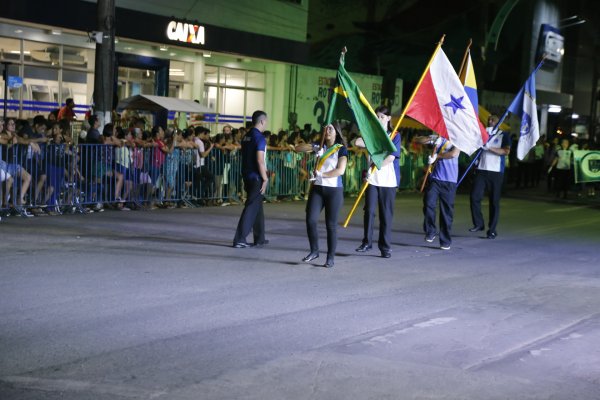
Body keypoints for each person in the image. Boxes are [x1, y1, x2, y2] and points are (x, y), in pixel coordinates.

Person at [296, 123, 348, 268]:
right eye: (325, 128)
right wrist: (314, 147)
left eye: (330, 129)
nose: (327, 131)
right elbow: (297, 148)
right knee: (310, 219)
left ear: (337, 132)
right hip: (318, 189)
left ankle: (330, 257)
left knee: (330, 225)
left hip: (334, 191)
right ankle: (314, 251)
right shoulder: (320, 146)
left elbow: (340, 170)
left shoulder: (341, 149)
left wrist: (322, 174)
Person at [353, 105, 401, 258]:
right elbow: (356, 142)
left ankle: (385, 247)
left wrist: (375, 164)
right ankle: (367, 242)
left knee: (386, 215)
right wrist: (371, 140)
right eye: (377, 116)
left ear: (388, 118)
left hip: (388, 180)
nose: (379, 119)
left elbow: (391, 157)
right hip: (372, 179)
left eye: (382, 117)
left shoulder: (395, 135)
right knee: (369, 211)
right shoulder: (372, 134)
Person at [469, 114, 511, 239]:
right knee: (474, 196)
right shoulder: (484, 134)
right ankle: (478, 223)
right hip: (482, 170)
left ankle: (492, 230)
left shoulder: (504, 135)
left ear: (499, 122)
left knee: (494, 201)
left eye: (493, 119)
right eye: (489, 119)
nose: (490, 121)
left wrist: (489, 148)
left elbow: (506, 151)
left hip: (496, 171)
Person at [232, 110, 269, 248]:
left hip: (247, 174)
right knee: (251, 206)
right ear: (262, 121)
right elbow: (260, 160)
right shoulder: (260, 138)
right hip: (256, 176)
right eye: (266, 121)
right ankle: (240, 238)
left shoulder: (246, 136)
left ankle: (260, 238)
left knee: (257, 205)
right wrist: (265, 178)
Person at [418, 135, 461, 250]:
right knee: (428, 203)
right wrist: (430, 139)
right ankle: (431, 231)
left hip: (450, 181)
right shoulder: (439, 136)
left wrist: (437, 156)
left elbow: (454, 154)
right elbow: (419, 140)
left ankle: (445, 240)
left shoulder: (458, 138)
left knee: (446, 212)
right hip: (435, 179)